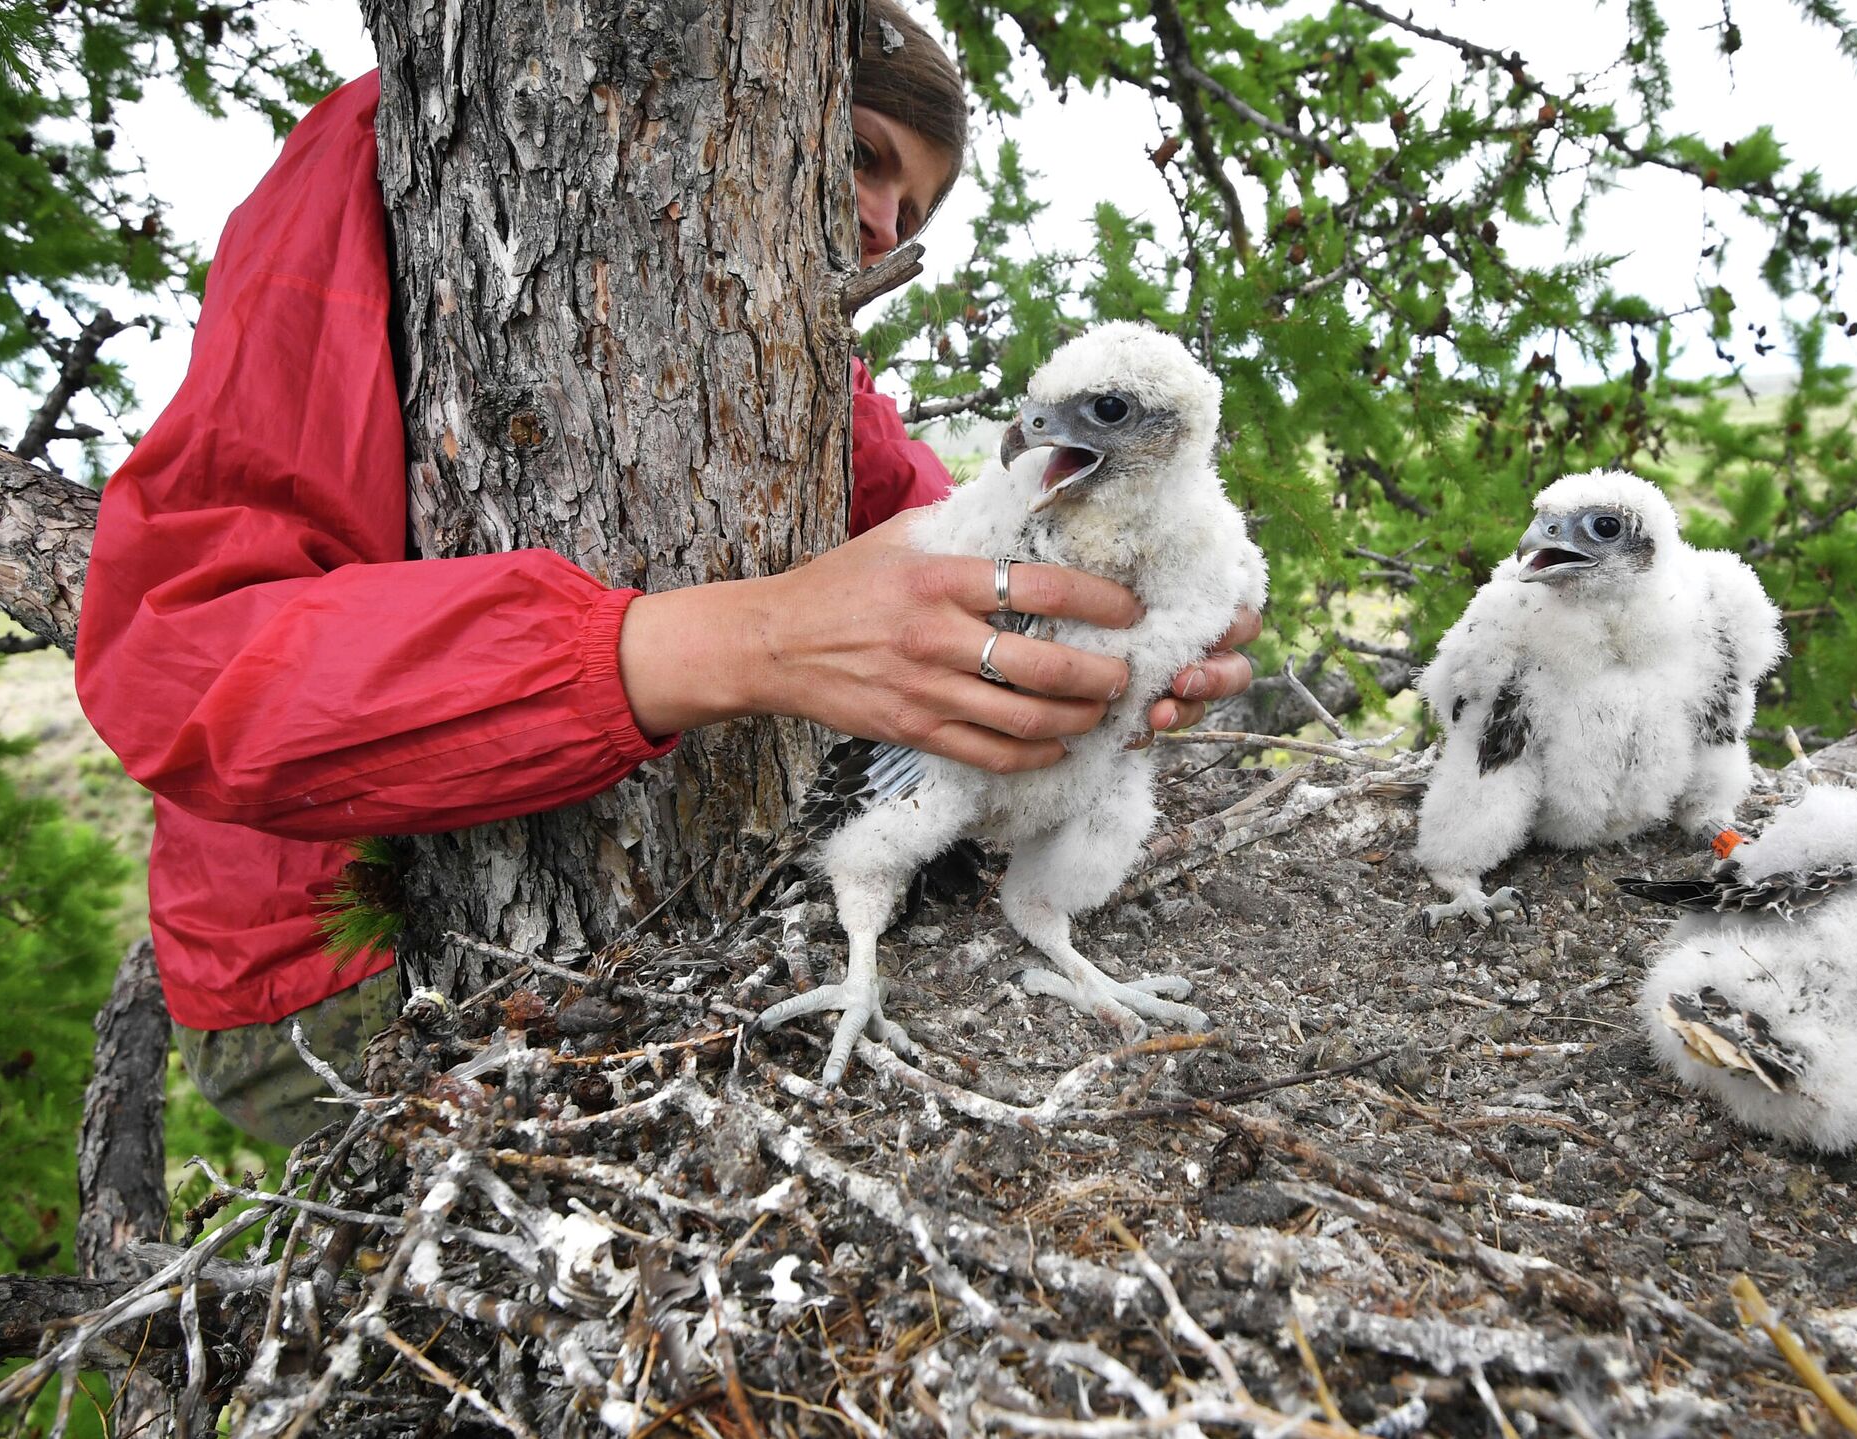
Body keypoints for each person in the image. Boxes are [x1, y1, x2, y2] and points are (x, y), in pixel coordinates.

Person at [73, 1, 1259, 1145]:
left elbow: (936, 521)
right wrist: (737, 645)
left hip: (687, 916)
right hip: (333, 975)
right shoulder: (396, 165)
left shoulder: (776, 339)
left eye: (915, 206)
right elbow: (174, 665)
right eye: (861, 153)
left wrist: (1136, 606)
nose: (890, 229)